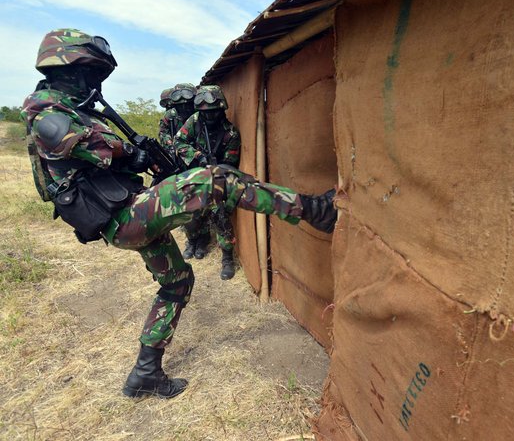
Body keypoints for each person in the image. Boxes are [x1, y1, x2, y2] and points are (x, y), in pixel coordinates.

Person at [21, 28, 337, 399]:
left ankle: (145, 373)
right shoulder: (44, 109)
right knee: (216, 180)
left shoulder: (73, 108)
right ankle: (315, 210)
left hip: (124, 211)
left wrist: (137, 159)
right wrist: (127, 152)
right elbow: (75, 142)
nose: (95, 81)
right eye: (90, 72)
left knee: (177, 282)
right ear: (69, 68)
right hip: (123, 216)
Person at [172, 85, 240, 279]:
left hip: (218, 176)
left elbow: (230, 164)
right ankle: (194, 241)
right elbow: (179, 142)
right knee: (188, 211)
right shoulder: (194, 121)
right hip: (194, 171)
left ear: (220, 110)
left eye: (212, 113)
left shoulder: (231, 134)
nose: (208, 117)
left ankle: (227, 257)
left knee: (220, 214)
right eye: (204, 113)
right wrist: (198, 156)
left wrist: (216, 171)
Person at [157, 83, 196, 152]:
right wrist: (170, 145)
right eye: (180, 105)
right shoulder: (170, 114)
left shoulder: (199, 114)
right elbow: (163, 132)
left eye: (187, 105)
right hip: (177, 150)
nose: (184, 108)